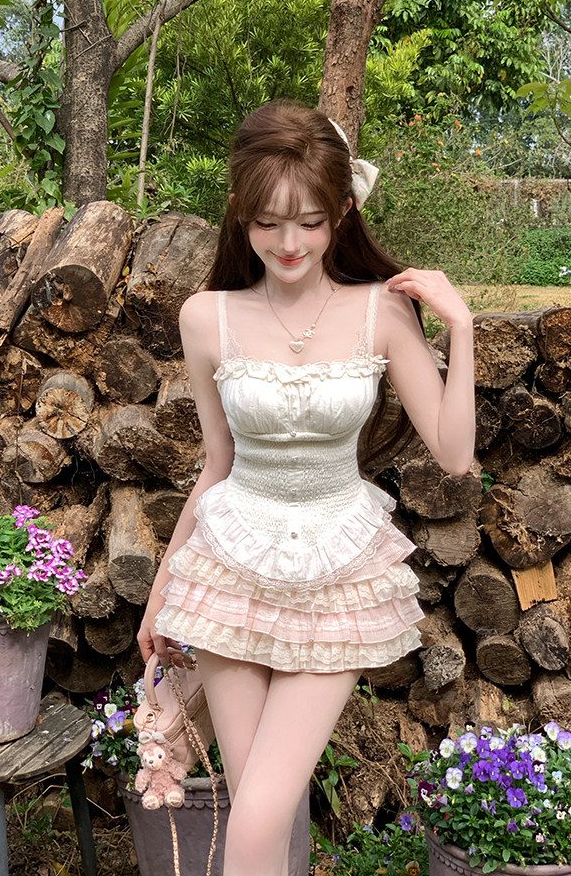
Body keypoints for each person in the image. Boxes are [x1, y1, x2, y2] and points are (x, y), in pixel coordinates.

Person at [137, 98, 475, 876]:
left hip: (339, 573)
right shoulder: (206, 317)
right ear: (240, 216)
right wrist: (163, 592)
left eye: (311, 222)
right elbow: (215, 464)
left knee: (255, 820)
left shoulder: (382, 314)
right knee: (266, 815)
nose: (289, 244)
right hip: (229, 570)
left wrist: (460, 327)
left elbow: (455, 455)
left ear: (343, 212)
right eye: (268, 223)